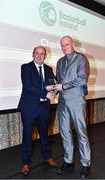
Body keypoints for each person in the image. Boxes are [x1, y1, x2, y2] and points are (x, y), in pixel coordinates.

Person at [54, 35, 91, 178]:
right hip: (62, 102)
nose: (64, 48)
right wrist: (54, 89)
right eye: (62, 46)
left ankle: (86, 164)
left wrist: (63, 86)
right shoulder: (60, 61)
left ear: (73, 44)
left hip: (76, 100)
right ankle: (68, 161)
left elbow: (82, 79)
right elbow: (58, 81)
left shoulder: (81, 59)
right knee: (65, 133)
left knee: (82, 133)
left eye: (66, 45)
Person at [18, 45, 57, 176]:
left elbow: (54, 83)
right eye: (37, 53)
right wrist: (45, 94)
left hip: (44, 108)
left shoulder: (48, 69)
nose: (39, 56)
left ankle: (47, 157)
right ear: (33, 54)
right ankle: (25, 163)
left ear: (45, 56)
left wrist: (55, 91)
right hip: (29, 107)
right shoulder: (26, 67)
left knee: (45, 134)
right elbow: (28, 86)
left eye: (42, 54)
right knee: (27, 136)